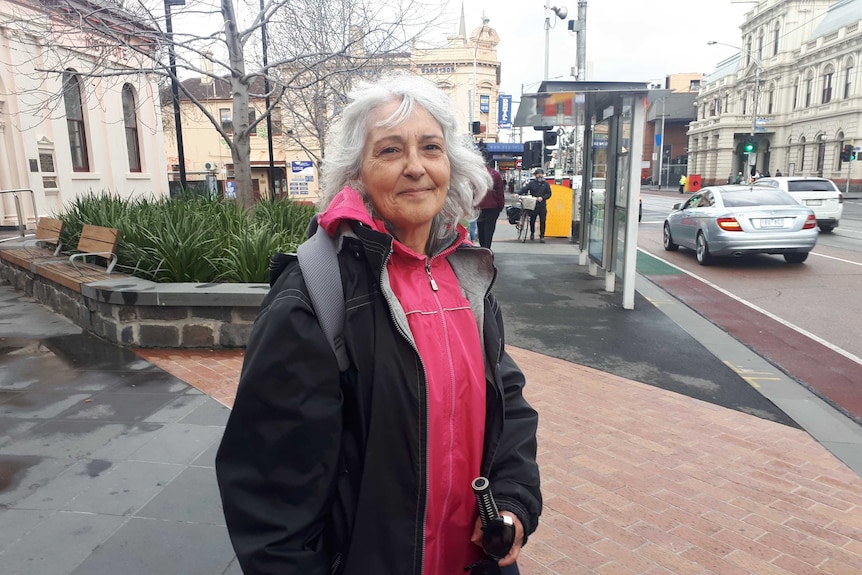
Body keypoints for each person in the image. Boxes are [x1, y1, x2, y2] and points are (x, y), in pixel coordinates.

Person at [216, 74, 542, 575]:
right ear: (357, 172)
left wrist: (515, 503)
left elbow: (509, 404)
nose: (415, 167)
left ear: (450, 165)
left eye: (430, 147)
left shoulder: (466, 276)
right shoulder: (315, 296)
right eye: (390, 151)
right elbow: (270, 495)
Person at [476, 152, 505, 249]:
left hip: (479, 206)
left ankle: (482, 247)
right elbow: (500, 192)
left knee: (480, 228)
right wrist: (500, 205)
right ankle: (487, 248)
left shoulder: (476, 174)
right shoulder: (495, 174)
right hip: (492, 206)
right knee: (489, 229)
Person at [519, 168, 552, 242]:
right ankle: (532, 233)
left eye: (541, 174)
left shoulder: (546, 184)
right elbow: (524, 189)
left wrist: (543, 198)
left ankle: (542, 236)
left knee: (543, 221)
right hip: (533, 204)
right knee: (532, 220)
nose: (540, 175)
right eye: (538, 174)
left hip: (542, 205)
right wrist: (518, 193)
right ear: (535, 175)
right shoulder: (532, 183)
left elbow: (549, 194)